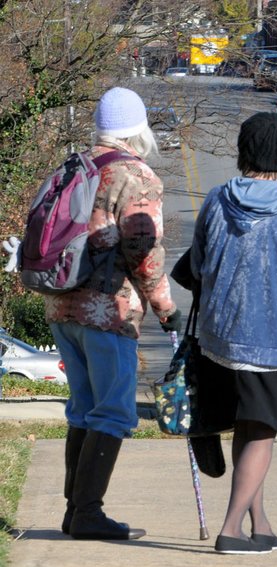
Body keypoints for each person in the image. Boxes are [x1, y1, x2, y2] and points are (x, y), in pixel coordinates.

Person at [46, 87, 182, 540]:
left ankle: (74, 511)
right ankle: (87, 513)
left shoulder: (73, 166)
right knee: (114, 412)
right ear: (138, 129)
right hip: (108, 310)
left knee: (84, 408)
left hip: (60, 304)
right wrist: (166, 307)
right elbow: (144, 252)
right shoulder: (136, 176)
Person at [189, 112, 277, 554]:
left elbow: (195, 265)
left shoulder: (215, 199)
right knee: (262, 432)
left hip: (220, 339)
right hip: (274, 338)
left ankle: (259, 522)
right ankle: (231, 530)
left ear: (242, 150)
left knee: (246, 430)